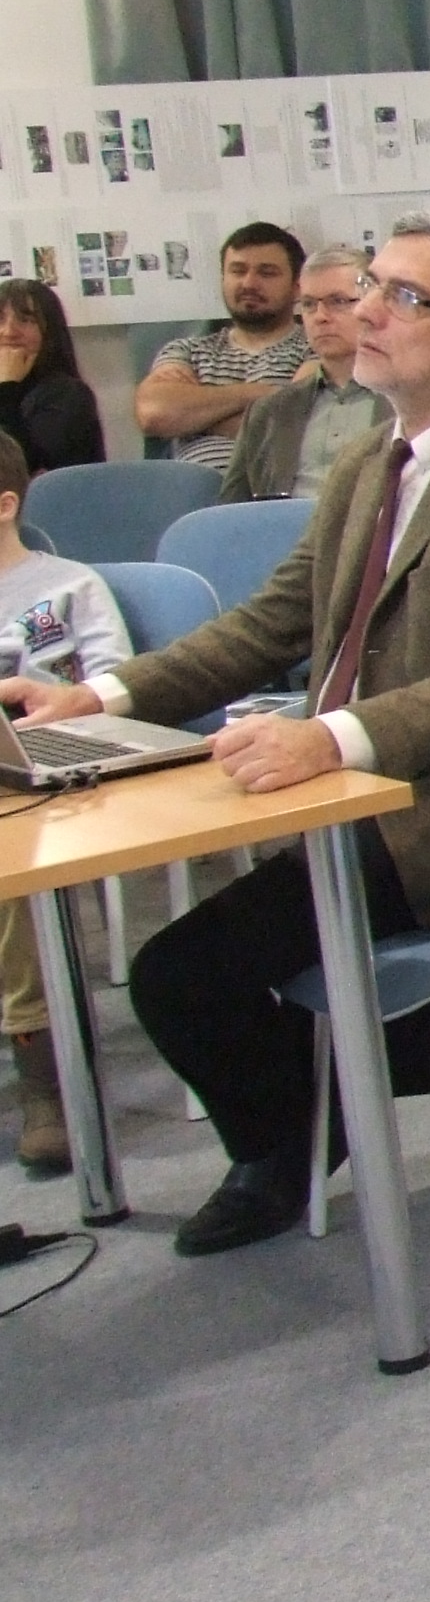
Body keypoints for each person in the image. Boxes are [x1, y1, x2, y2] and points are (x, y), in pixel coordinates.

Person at [4, 216, 430, 1258]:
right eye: (370, 286)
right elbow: (269, 624)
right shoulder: (377, 461)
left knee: (183, 980)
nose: (364, 312)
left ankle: (287, 1147)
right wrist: (101, 695)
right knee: (239, 978)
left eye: (402, 298)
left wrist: (331, 737)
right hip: (370, 795)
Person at [0, 435, 127, 1175]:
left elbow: (115, 685)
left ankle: (41, 1069)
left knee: (13, 856)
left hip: (52, 770)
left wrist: (60, 710)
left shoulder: (70, 587)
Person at [134, 221, 309, 475]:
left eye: (267, 273)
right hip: (192, 494)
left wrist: (194, 417)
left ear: (297, 287)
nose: (249, 283)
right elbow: (156, 413)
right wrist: (263, 393)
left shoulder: (316, 347)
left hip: (275, 491)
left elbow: (297, 427)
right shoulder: (188, 350)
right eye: (238, 271)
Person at [222, 244, 387, 500]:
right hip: (286, 525)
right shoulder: (269, 411)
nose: (320, 316)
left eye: (338, 301)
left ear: (373, 305)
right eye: (309, 304)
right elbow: (232, 509)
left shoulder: (415, 399)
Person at [0, 278, 105, 477]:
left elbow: (22, 471)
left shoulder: (69, 395)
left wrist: (7, 388)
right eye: (0, 319)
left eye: (26, 320)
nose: (9, 332)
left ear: (49, 333)